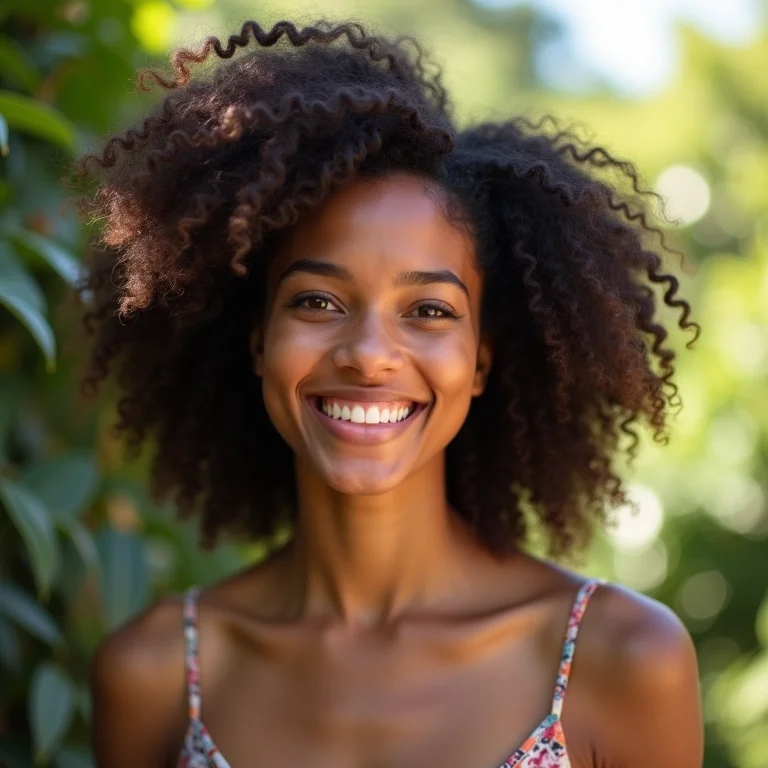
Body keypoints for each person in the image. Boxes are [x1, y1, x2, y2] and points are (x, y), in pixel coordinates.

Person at [74, 19, 704, 768]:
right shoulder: (156, 677)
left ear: (479, 361)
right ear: (257, 341)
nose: (370, 355)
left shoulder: (622, 658)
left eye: (429, 311)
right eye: (317, 302)